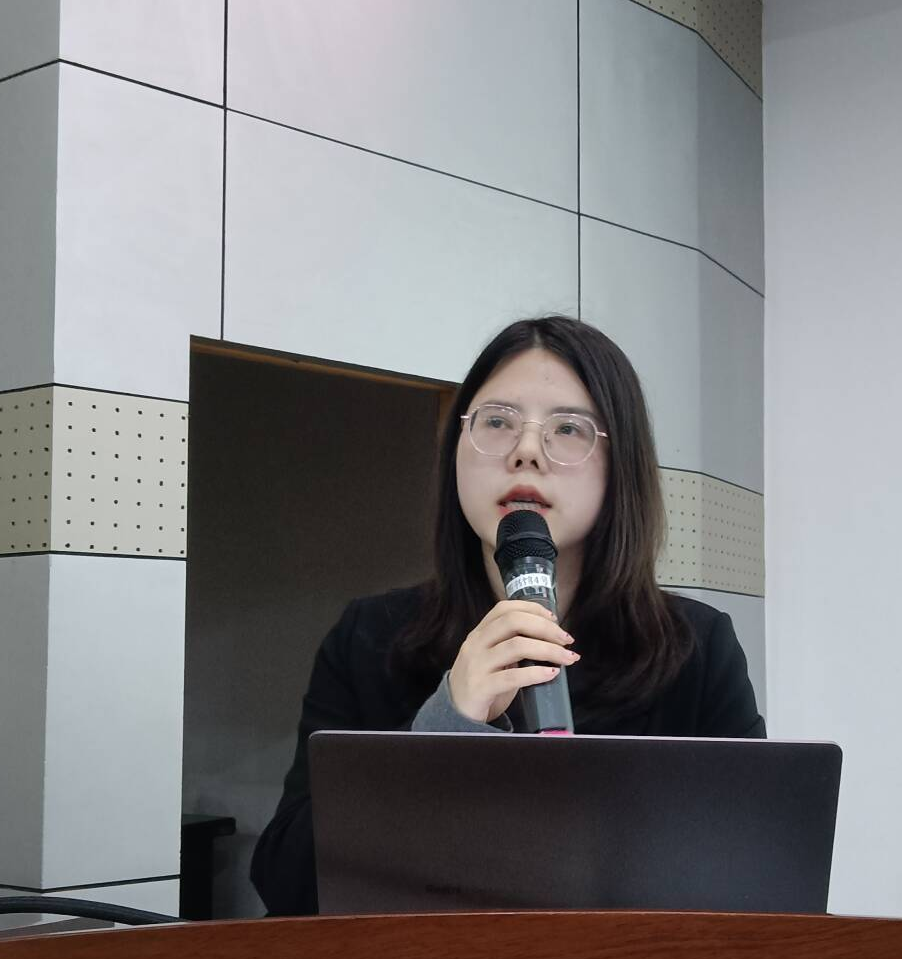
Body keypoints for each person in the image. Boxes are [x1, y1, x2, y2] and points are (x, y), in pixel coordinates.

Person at [250, 315, 766, 916]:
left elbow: (759, 882)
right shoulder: (369, 637)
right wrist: (444, 729)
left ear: (620, 464)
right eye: (497, 422)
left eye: (568, 429)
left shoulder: (695, 647)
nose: (526, 452)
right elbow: (287, 888)